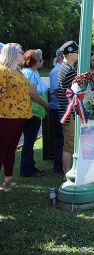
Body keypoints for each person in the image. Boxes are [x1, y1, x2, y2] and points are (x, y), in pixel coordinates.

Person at [0, 43, 31, 190]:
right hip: (6, 117)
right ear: (12, 54)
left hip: (20, 116)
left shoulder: (18, 71)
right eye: (21, 51)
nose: (23, 53)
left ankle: (8, 179)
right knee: (2, 148)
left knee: (11, 148)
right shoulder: (3, 71)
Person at [20, 49, 50, 177]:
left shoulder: (33, 72)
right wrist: (45, 104)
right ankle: (27, 170)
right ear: (36, 62)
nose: (42, 61)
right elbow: (32, 94)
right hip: (32, 112)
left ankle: (29, 167)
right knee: (29, 141)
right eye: (41, 59)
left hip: (35, 112)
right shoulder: (29, 73)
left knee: (30, 141)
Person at [57, 41, 79, 176]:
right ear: (70, 54)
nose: (78, 54)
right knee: (69, 145)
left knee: (70, 145)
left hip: (68, 112)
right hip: (69, 114)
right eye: (76, 52)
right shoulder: (69, 71)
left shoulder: (65, 67)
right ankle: (67, 175)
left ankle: (70, 172)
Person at [49, 48, 64, 173]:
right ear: (60, 57)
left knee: (62, 138)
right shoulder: (57, 71)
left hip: (62, 108)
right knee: (60, 138)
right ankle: (58, 165)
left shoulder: (62, 69)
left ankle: (60, 163)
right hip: (58, 109)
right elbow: (55, 90)